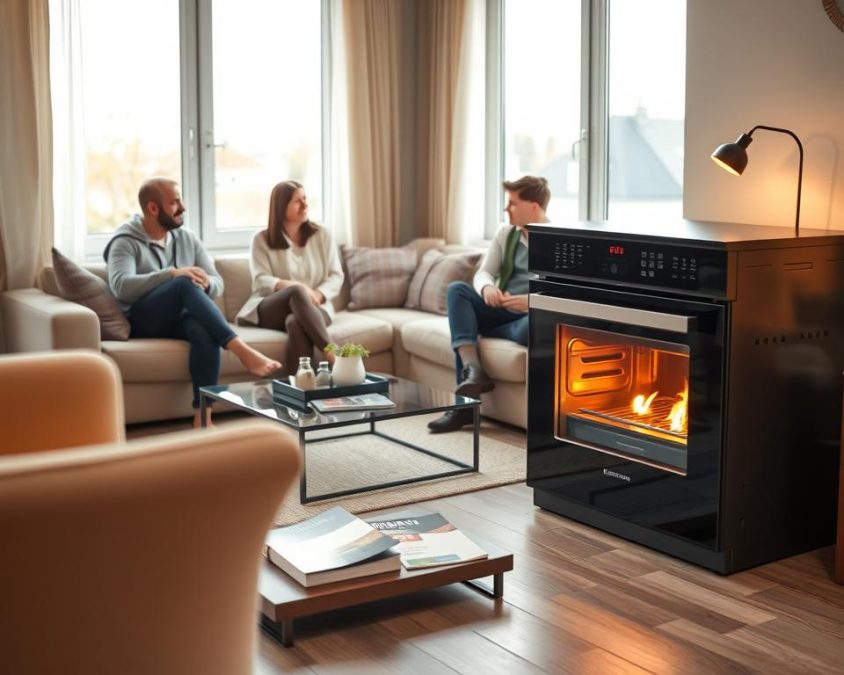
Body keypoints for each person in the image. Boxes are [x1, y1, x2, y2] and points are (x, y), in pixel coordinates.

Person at [105, 177, 281, 428]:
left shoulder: (186, 237)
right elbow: (121, 286)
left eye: (181, 200)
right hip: (144, 320)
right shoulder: (125, 241)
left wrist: (205, 283)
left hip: (181, 317)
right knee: (182, 282)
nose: (183, 207)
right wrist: (171, 274)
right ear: (153, 208)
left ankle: (203, 416)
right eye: (175, 202)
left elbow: (217, 281)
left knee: (203, 329)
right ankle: (241, 349)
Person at [428, 175, 550, 433]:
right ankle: (474, 371)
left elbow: (561, 293)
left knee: (535, 325)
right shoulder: (506, 234)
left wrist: (529, 302)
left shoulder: (557, 241)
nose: (507, 209)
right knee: (457, 290)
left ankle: (464, 409)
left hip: (523, 320)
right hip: (496, 311)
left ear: (534, 207)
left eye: (513, 203)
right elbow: (483, 272)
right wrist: (487, 288)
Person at [236, 180, 343, 373]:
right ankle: (331, 353)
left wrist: (318, 294)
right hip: (271, 306)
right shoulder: (261, 239)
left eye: (305, 198)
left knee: (295, 322)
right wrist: (293, 286)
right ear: (280, 207)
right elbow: (260, 280)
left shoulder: (323, 235)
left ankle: (299, 389)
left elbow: (336, 276)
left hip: (316, 306)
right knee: (296, 291)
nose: (304, 205)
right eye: (297, 201)